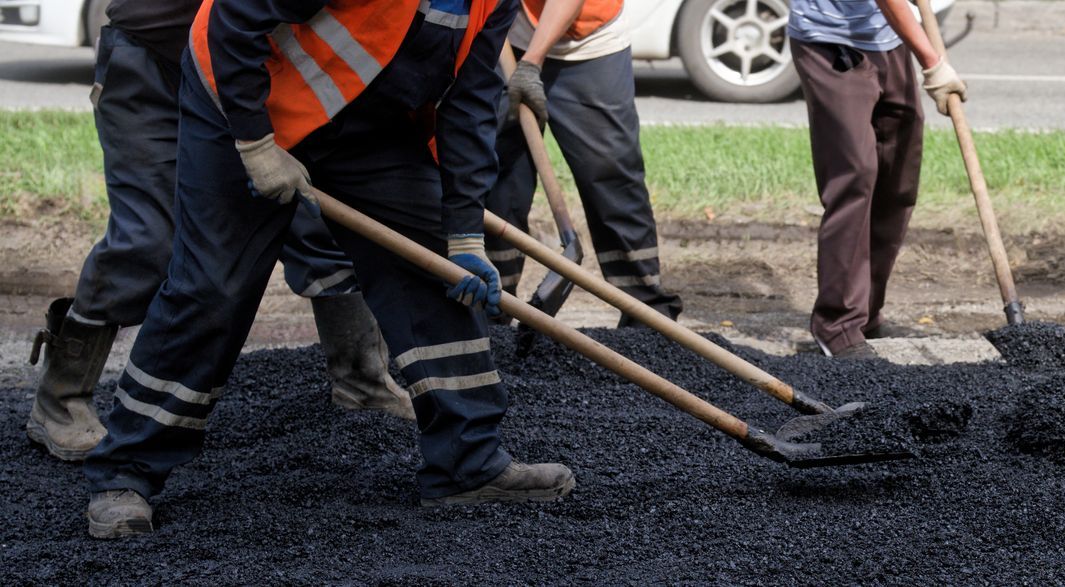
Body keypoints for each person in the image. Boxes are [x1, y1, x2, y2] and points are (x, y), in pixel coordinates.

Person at [83, 0, 573, 539]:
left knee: (435, 266)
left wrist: (462, 233)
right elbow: (232, 22)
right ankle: (125, 470)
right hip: (247, 101)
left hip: (369, 122)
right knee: (213, 289)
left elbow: (470, 99)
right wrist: (255, 144)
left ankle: (467, 463)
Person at [26, 0, 414, 465]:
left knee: (317, 222)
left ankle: (362, 380)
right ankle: (61, 397)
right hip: (153, 64)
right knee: (149, 240)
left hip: (256, 69)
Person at [485, 0, 683, 322]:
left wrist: (532, 62)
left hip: (587, 46)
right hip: (508, 37)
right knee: (497, 176)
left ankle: (646, 317)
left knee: (611, 178)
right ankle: (492, 307)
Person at [788, 0, 965, 358]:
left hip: (888, 39)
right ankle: (837, 325)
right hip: (830, 42)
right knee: (854, 178)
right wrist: (933, 64)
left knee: (897, 180)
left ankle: (865, 312)